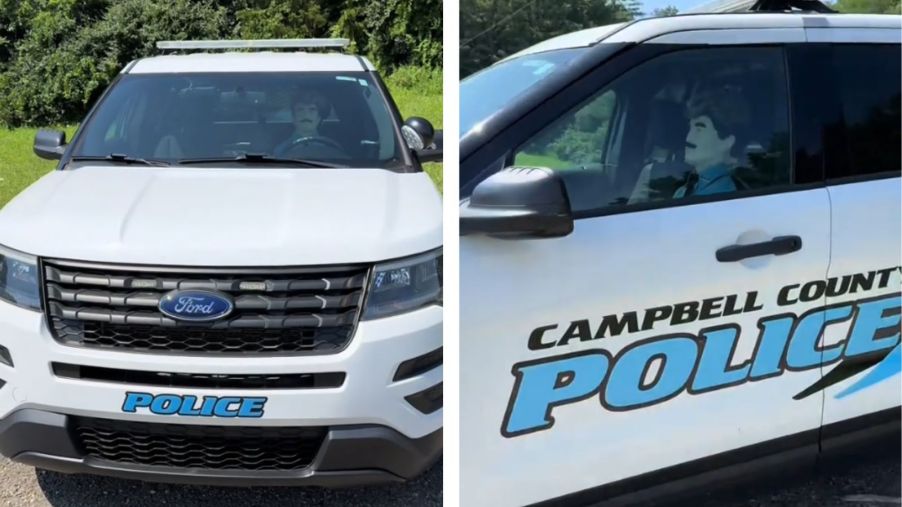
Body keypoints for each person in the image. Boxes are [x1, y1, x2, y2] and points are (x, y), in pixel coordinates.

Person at [673, 87, 750, 197]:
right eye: (689, 128)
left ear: (727, 141)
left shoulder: (731, 194)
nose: (689, 137)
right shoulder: (683, 192)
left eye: (699, 128)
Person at [273, 89, 336, 156]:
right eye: (300, 109)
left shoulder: (331, 148)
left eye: (312, 109)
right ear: (293, 118)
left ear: (319, 117)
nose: (306, 114)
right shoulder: (281, 151)